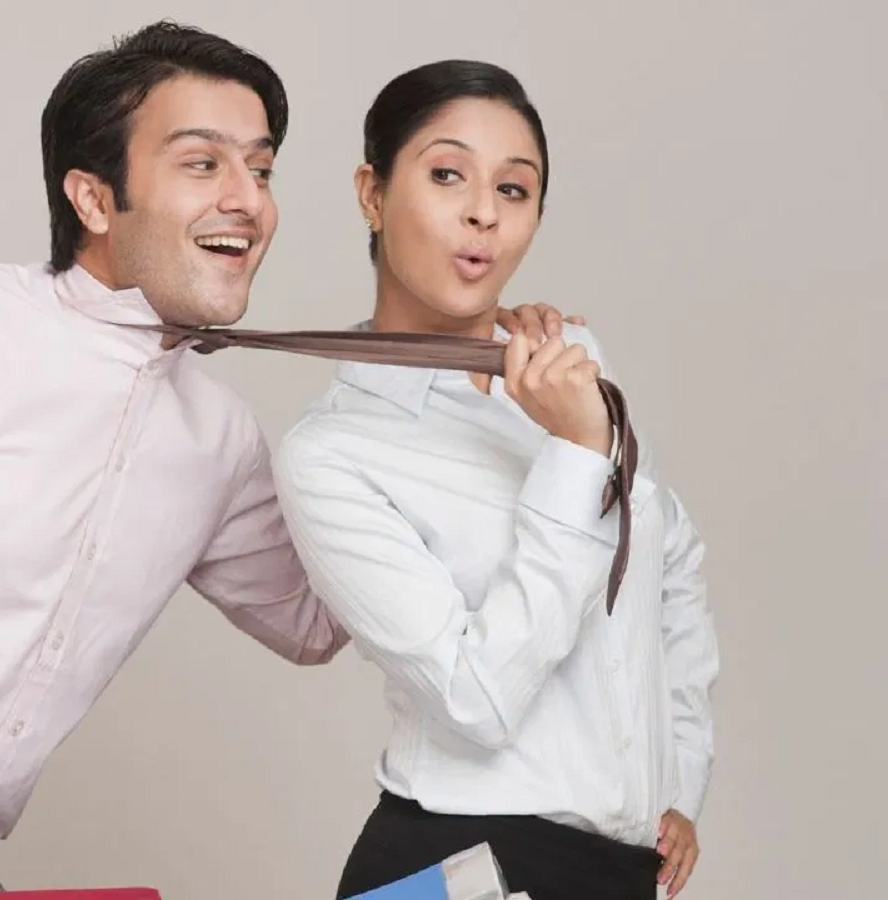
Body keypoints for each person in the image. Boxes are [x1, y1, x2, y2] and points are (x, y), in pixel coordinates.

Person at [0, 24, 579, 900]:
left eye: (260, 168)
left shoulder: (218, 437)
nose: (247, 200)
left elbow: (322, 618)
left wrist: (472, 374)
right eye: (202, 163)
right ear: (92, 197)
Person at [270, 60, 720, 900]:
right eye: (447, 175)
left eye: (514, 189)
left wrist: (677, 780)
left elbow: (670, 565)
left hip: (618, 871)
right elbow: (476, 700)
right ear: (372, 193)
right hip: (459, 863)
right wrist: (577, 454)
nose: (483, 212)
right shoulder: (333, 452)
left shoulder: (572, 368)